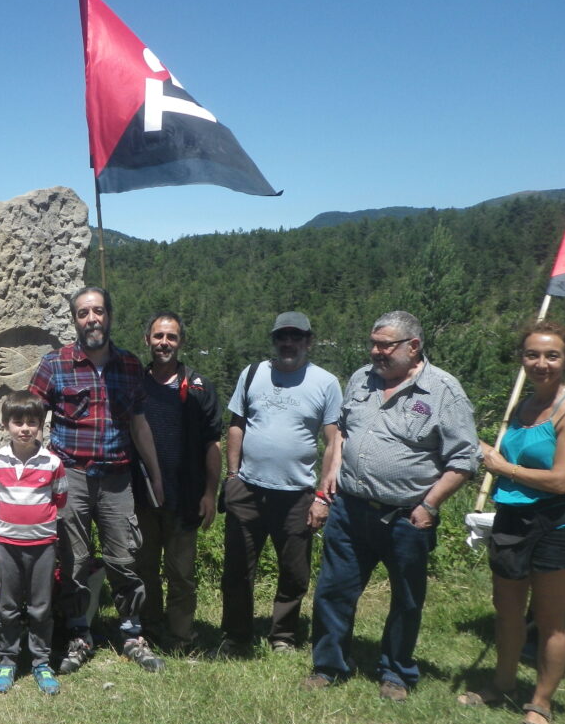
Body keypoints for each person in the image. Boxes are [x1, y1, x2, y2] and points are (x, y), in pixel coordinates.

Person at [303, 310, 480, 702]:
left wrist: (430, 505)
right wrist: (330, 474)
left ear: (413, 346)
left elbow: (464, 459)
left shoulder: (443, 391)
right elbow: (343, 433)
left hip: (406, 516)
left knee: (406, 598)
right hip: (350, 508)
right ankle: (328, 666)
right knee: (333, 590)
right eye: (373, 343)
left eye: (385, 345)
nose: (375, 352)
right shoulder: (360, 379)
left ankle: (396, 672)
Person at [460, 321, 565, 724]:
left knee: (552, 619)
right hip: (512, 518)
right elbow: (516, 458)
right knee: (507, 610)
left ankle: (540, 703)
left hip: (559, 522)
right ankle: (502, 685)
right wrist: (486, 454)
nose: (541, 363)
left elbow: (561, 479)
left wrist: (503, 468)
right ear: (522, 359)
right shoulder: (524, 405)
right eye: (532, 354)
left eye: (551, 355)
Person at [29, 286, 167, 674]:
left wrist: (155, 475)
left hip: (117, 477)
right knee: (74, 559)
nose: (92, 319)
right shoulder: (53, 365)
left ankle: (131, 632)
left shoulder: (128, 365)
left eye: (99, 311)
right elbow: (31, 420)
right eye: (84, 313)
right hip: (70, 475)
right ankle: (78, 633)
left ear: (110, 316)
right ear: (75, 320)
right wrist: (32, 472)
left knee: (124, 557)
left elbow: (139, 424)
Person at [219, 312, 342, 654]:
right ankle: (236, 635)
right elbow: (236, 424)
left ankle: (283, 636)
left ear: (308, 341)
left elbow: (335, 441)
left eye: (296, 337)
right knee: (237, 570)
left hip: (297, 495)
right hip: (248, 488)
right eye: (281, 337)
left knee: (294, 571)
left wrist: (323, 497)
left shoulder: (325, 383)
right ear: (273, 340)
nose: (288, 343)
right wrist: (231, 478)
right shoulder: (254, 374)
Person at [131, 311, 222, 651]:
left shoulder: (199, 388)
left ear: (181, 342)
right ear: (147, 340)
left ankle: (182, 635)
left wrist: (211, 493)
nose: (163, 343)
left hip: (185, 497)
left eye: (171, 337)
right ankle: (151, 629)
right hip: (143, 498)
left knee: (181, 573)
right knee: (144, 568)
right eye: (158, 336)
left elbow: (212, 443)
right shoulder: (136, 386)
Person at [0, 391, 69, 695]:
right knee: (7, 605)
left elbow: (60, 499)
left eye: (32, 422)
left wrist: (37, 523)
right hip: (7, 543)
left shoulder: (52, 463)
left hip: (43, 543)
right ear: (6, 424)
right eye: (18, 422)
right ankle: (6, 659)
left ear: (41, 425)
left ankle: (41, 661)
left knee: (40, 607)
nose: (24, 429)